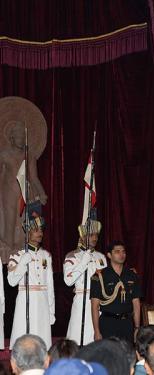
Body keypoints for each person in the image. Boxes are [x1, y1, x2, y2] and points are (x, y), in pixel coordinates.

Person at [8, 207, 54, 349]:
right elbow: (11, 281)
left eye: (41, 230)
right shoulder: (17, 256)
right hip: (25, 301)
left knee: (42, 341)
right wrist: (22, 263)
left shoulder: (46, 256)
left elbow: (50, 286)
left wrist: (51, 310)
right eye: (36, 230)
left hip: (42, 302)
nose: (40, 233)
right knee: (24, 339)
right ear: (27, 232)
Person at [0, 121, 47, 258]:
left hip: (25, 192)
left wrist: (42, 193)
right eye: (18, 136)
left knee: (24, 221)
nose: (21, 140)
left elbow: (34, 177)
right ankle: (7, 249)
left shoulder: (29, 155)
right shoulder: (4, 155)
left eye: (23, 137)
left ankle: (23, 248)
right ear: (12, 138)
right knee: (9, 219)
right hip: (8, 190)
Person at [64, 218, 107, 345]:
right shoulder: (72, 256)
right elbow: (68, 281)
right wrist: (84, 261)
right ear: (82, 237)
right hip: (82, 299)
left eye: (96, 235)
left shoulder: (101, 257)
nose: (95, 238)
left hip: (99, 301)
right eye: (91, 235)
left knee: (96, 338)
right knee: (78, 338)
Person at [90, 240, 142, 342]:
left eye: (123, 251)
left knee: (127, 355)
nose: (121, 254)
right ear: (109, 255)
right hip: (108, 323)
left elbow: (136, 304)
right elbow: (94, 306)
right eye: (117, 251)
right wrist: (96, 331)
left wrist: (137, 328)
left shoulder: (132, 275)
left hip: (127, 323)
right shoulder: (99, 276)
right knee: (108, 355)